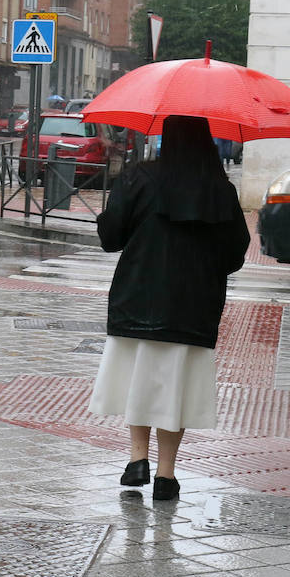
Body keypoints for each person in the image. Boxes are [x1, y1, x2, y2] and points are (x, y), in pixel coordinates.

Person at [88, 115, 250, 501]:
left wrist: (107, 217)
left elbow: (111, 238)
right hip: (194, 305)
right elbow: (235, 254)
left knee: (139, 380)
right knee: (176, 387)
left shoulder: (138, 177)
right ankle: (166, 475)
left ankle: (136, 460)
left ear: (167, 137)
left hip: (139, 298)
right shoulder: (220, 189)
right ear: (206, 141)